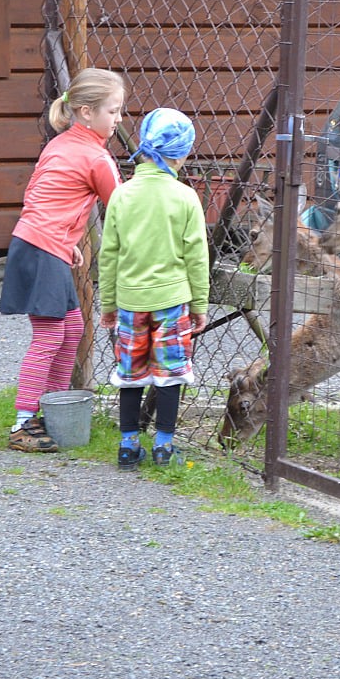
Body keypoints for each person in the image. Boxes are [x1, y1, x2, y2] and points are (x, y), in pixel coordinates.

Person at [0, 68, 127, 453]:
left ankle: (53, 412)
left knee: (71, 329)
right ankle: (24, 423)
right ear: (86, 112)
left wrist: (66, 239)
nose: (119, 119)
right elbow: (122, 209)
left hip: (35, 243)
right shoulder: (96, 157)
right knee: (51, 335)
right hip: (43, 248)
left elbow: (43, 196)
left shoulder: (61, 144)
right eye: (113, 111)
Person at [99, 107, 210, 470]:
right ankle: (164, 445)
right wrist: (199, 305)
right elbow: (196, 258)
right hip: (172, 301)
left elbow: (109, 255)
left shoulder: (122, 195)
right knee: (171, 372)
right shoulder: (185, 197)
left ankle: (128, 444)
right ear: (181, 153)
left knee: (130, 373)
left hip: (130, 301)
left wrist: (109, 303)